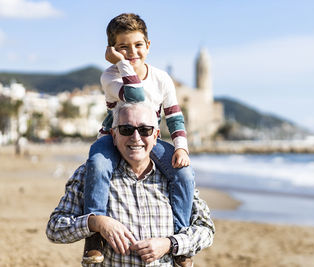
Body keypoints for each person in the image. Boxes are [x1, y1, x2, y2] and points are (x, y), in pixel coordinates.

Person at [83, 13, 195, 264]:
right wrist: (122, 63)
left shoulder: (162, 78)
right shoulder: (110, 75)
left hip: (148, 140)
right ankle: (95, 237)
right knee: (98, 164)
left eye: (138, 45)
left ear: (148, 45)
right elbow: (134, 95)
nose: (132, 51)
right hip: (116, 137)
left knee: (185, 174)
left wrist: (181, 148)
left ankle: (180, 239)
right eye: (123, 47)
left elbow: (174, 116)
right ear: (112, 49)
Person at [46, 102, 215, 267]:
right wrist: (96, 223)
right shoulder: (90, 174)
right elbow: (55, 229)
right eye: (126, 130)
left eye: (145, 130)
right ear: (113, 135)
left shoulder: (174, 177)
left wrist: (170, 244)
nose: (136, 137)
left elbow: (206, 229)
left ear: (155, 136)